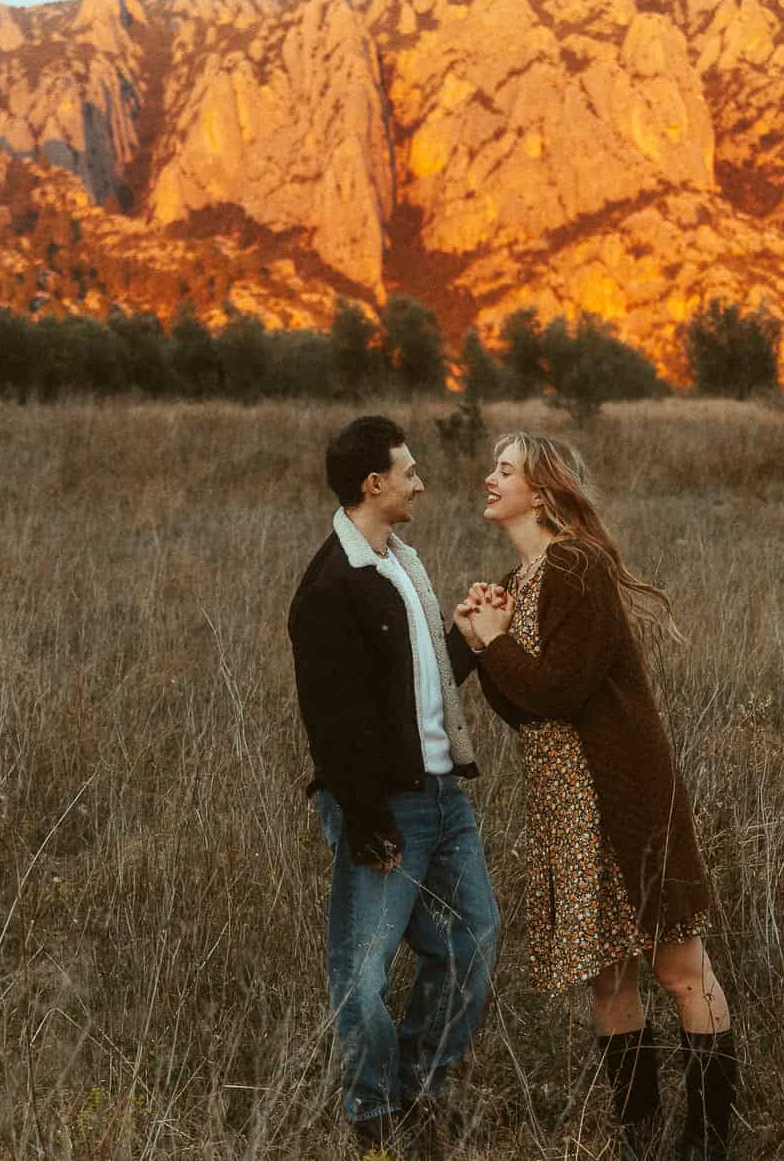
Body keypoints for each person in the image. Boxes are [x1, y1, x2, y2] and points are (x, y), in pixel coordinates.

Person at [454, 432, 739, 1161]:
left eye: (505, 469)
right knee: (606, 976)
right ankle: (640, 1138)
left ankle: (708, 1141)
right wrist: (479, 634)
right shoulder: (518, 579)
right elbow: (524, 707)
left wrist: (491, 643)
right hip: (566, 808)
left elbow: (560, 689)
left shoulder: (576, 565)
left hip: (624, 799)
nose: (489, 478)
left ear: (541, 491)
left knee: (679, 968)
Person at [288, 415, 499, 1159]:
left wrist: (468, 640)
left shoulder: (401, 563)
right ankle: (373, 1113)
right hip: (389, 808)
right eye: (408, 471)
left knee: (473, 941)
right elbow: (334, 722)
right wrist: (368, 819)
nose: (420, 482)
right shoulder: (329, 588)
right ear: (373, 484)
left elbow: (418, 686)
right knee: (362, 972)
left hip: (446, 797)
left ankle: (424, 1086)